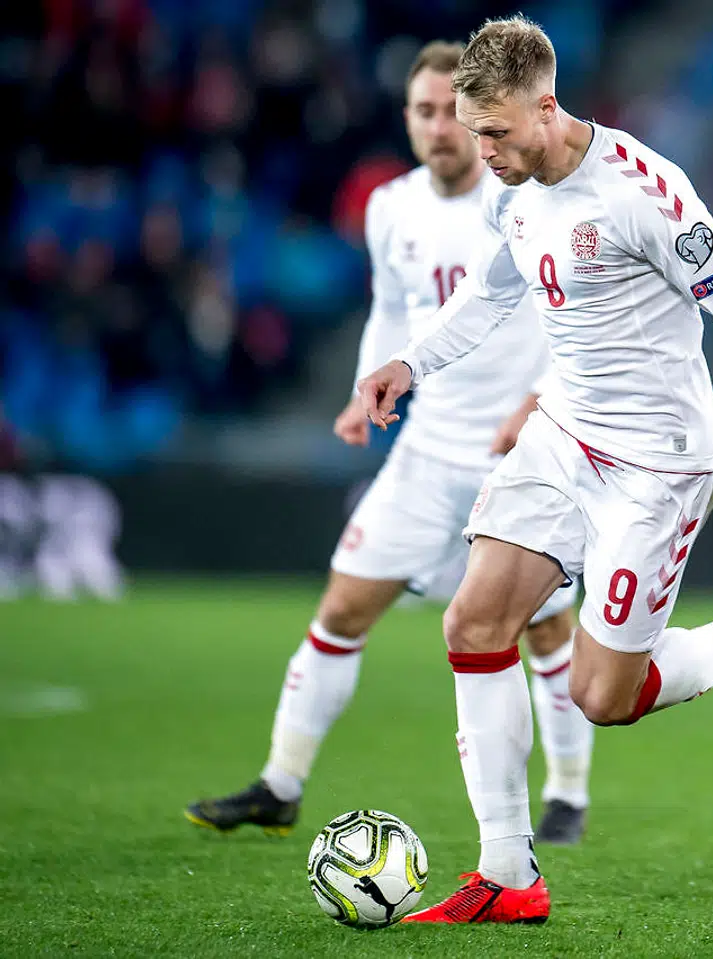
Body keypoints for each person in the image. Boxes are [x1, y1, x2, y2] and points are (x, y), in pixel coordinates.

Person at [354, 17, 713, 925]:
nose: (479, 149)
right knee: (474, 619)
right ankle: (508, 872)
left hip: (659, 463)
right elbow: (493, 292)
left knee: (602, 695)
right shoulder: (514, 190)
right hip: (563, 432)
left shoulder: (644, 191)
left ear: (547, 106)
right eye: (470, 129)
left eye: (494, 131)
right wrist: (411, 363)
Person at [185, 41, 594, 846]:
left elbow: (569, 313)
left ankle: (567, 796)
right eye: (425, 112)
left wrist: (543, 402)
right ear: (405, 119)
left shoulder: (525, 198)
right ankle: (281, 781)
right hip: (428, 453)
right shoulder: (390, 208)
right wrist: (364, 384)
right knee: (341, 607)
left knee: (546, 630)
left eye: (454, 113)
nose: (442, 128)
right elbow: (393, 309)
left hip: (523, 458)